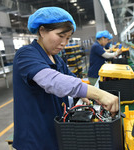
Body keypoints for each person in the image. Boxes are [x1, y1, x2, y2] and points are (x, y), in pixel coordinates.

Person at [13, 7, 119, 150]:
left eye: (67, 38)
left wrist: (87, 95)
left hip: (55, 132)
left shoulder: (56, 58)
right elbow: (53, 81)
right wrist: (98, 93)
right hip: (34, 138)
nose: (64, 43)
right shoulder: (25, 54)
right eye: (60, 35)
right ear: (42, 31)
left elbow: (71, 79)